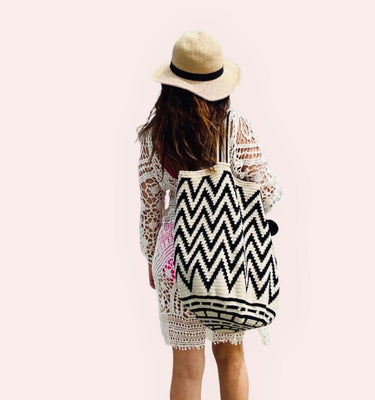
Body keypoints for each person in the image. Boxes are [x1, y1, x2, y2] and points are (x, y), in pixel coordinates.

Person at [136, 31, 282, 400]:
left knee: (186, 370)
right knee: (231, 360)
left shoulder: (156, 136)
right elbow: (267, 189)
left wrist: (152, 258)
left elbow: (151, 208)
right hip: (227, 259)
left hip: (175, 259)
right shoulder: (234, 128)